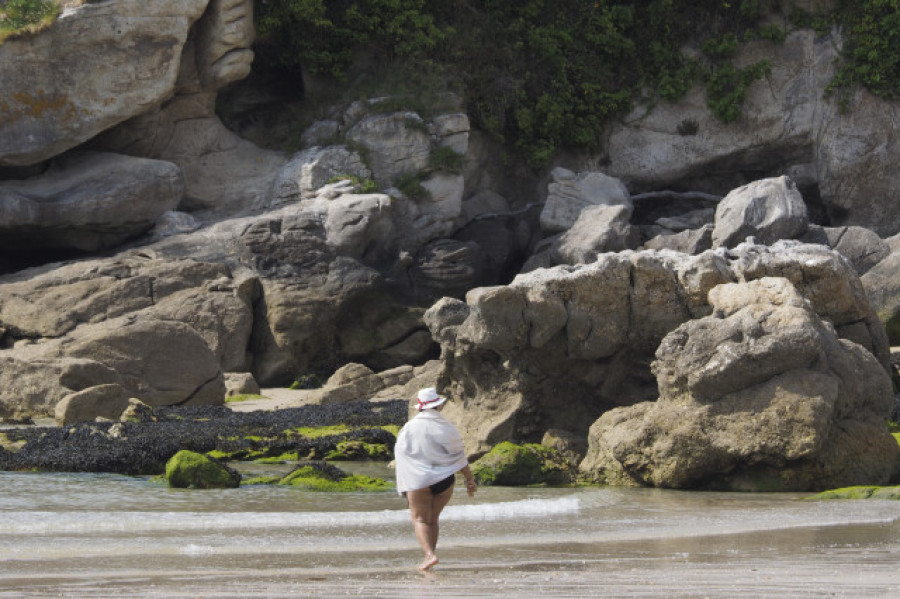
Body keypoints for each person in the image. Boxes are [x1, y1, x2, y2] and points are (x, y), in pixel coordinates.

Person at [393, 387, 477, 571]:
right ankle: (430, 556)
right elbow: (458, 455)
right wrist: (469, 480)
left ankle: (429, 555)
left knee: (420, 520)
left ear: (419, 407)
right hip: (445, 480)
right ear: (438, 406)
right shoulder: (447, 426)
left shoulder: (409, 428)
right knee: (433, 520)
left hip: (418, 481)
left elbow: (400, 454)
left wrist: (408, 481)